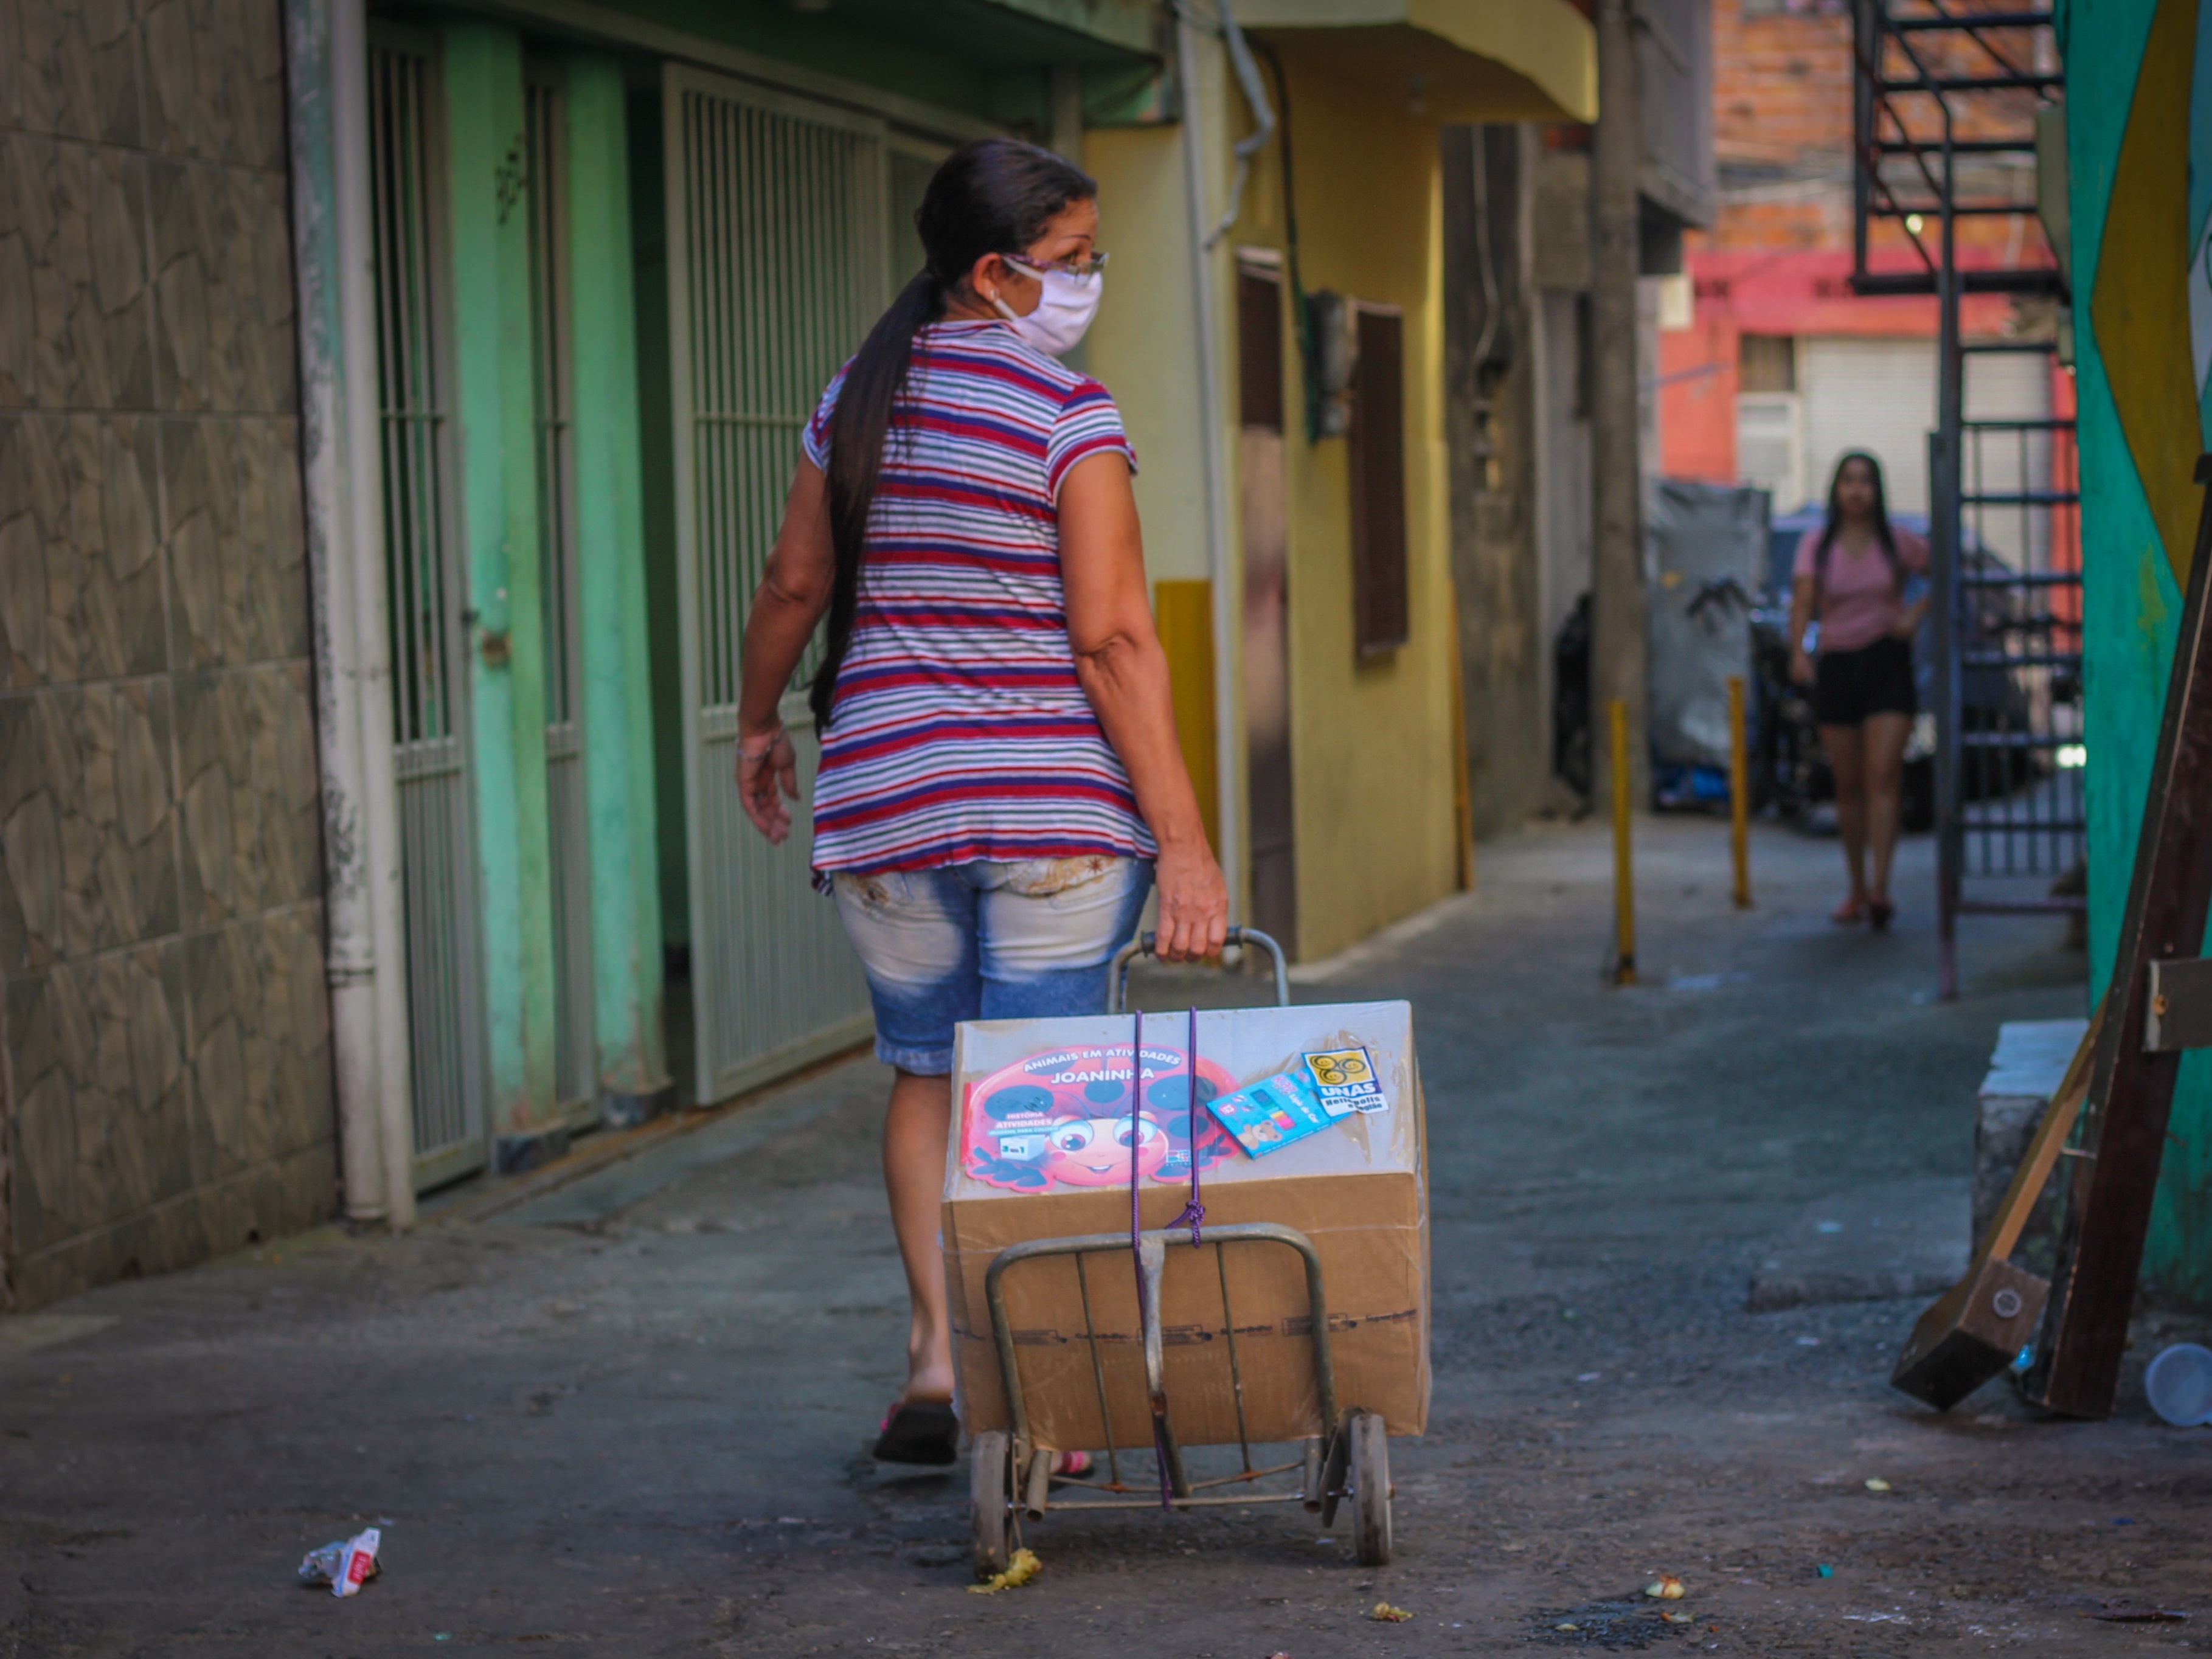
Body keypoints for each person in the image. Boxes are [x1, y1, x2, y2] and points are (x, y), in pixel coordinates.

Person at [730, 139, 1229, 1467]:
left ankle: (941, 1354)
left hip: (887, 804)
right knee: (1049, 1082)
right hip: (1052, 817)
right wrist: (1185, 843)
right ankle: (1052, 1386)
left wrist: (756, 720)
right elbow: (1116, 642)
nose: (1091, 283)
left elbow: (791, 587)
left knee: (926, 1071)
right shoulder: (1068, 414)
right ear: (997, 272)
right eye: (1075, 262)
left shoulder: (858, 396)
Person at [1786, 451, 1930, 930]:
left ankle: (1880, 890)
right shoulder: (1816, 545)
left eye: (1865, 481)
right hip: (1837, 667)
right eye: (1847, 481)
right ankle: (1853, 888)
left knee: (1882, 775)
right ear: (1835, 490)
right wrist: (1798, 653)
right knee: (1847, 787)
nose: (1856, 490)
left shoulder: (1896, 543)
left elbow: (1947, 567)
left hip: (1887, 662)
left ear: (1877, 490)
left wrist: (1914, 613)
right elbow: (1803, 601)